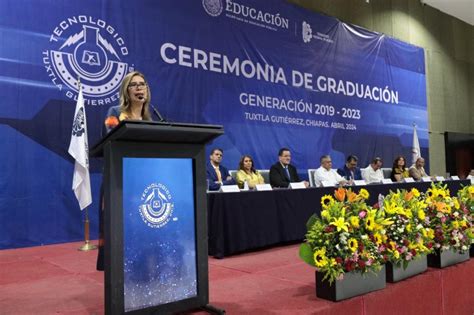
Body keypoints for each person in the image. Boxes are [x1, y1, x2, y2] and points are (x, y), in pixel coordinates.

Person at [97, 71, 154, 271]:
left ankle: (143, 266)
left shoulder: (150, 117)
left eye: (142, 84)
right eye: (134, 84)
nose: (140, 88)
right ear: (126, 90)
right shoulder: (114, 112)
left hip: (144, 181)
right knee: (122, 227)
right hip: (120, 179)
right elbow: (110, 139)